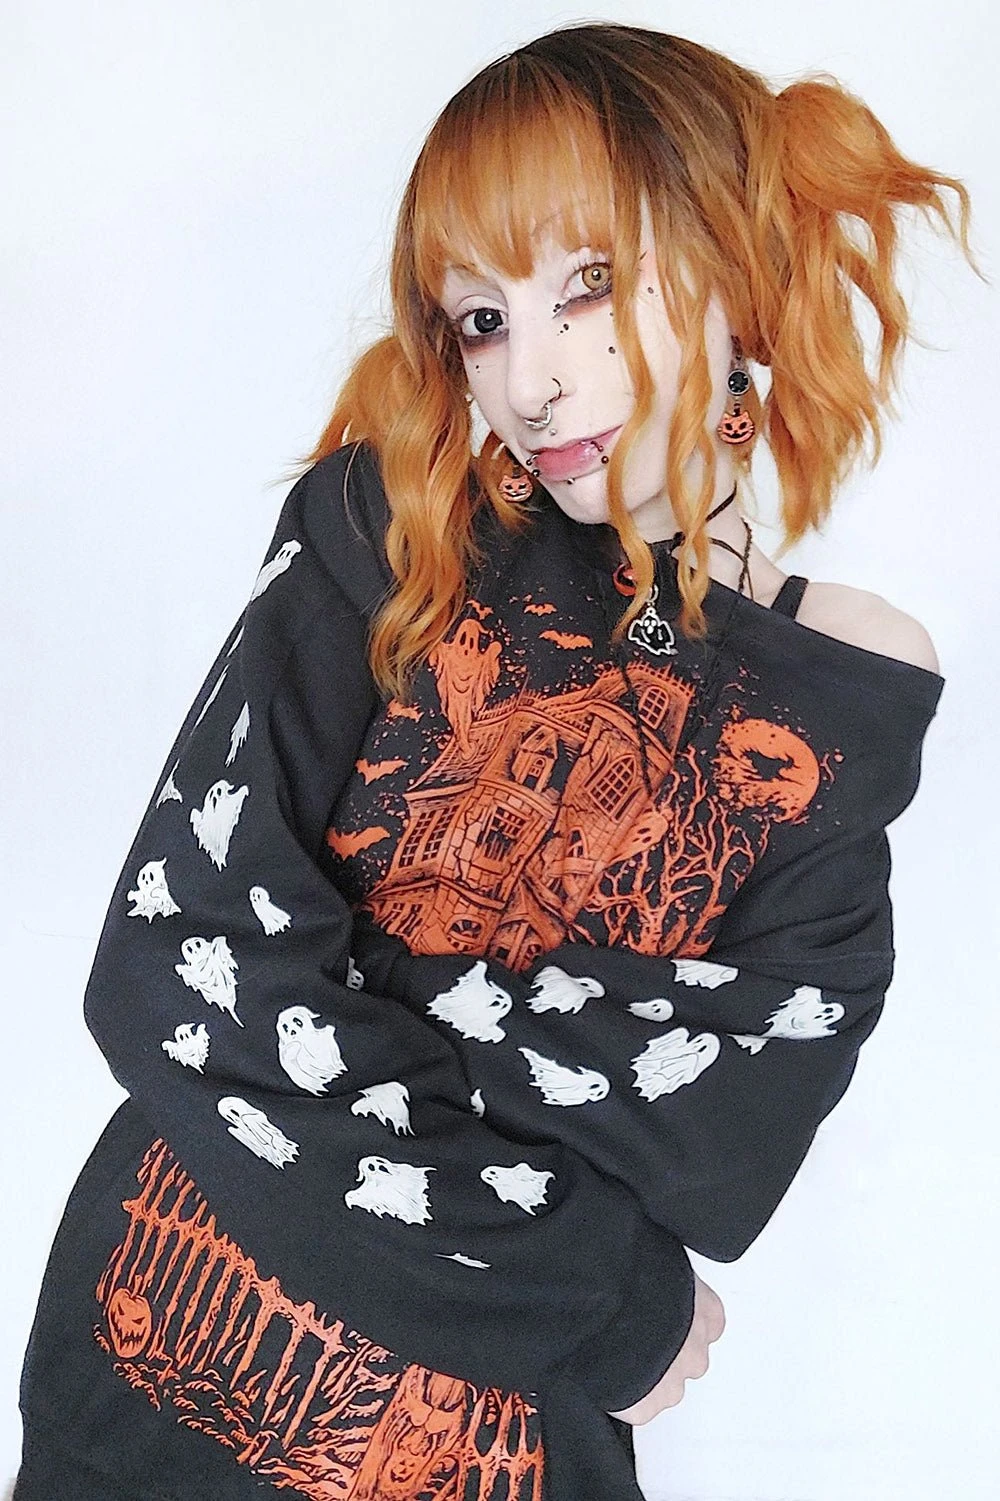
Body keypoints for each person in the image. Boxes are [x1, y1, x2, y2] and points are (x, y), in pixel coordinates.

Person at [13, 21, 980, 1501]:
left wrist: (342, 977)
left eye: (587, 286)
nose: (532, 379)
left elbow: (723, 1138)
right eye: (481, 318)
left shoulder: (837, 691)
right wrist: (603, 1293)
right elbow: (175, 973)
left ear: (734, 262)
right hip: (144, 1400)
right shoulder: (392, 531)